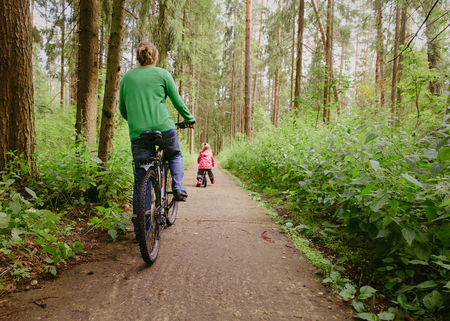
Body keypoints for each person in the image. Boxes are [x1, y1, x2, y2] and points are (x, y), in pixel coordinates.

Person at [119, 41, 195, 229]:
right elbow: (177, 101)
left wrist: (136, 121)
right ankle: (177, 187)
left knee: (140, 177)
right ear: (155, 56)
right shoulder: (163, 74)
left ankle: (141, 229)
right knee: (175, 154)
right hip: (164, 129)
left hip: (138, 133)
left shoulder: (127, 77)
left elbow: (122, 108)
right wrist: (189, 118)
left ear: (138, 57)